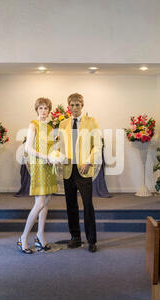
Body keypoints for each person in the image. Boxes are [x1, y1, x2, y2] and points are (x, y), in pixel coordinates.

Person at [58, 93, 102, 253]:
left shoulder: (92, 122)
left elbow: (97, 145)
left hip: (84, 170)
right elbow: (59, 146)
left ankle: (92, 240)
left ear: (82, 106)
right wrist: (57, 157)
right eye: (72, 105)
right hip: (68, 170)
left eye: (78, 105)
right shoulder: (63, 124)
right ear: (68, 106)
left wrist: (89, 161)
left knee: (88, 205)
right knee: (71, 206)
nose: (75, 108)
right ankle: (75, 238)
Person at [17, 97, 58, 254]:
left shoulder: (49, 127)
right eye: (40, 108)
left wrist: (54, 156)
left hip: (48, 166)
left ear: (49, 110)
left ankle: (40, 236)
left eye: (46, 108)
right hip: (39, 166)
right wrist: (46, 157)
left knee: (46, 202)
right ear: (36, 110)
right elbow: (28, 148)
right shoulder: (33, 125)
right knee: (39, 203)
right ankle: (23, 237)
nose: (43, 111)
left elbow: (51, 147)